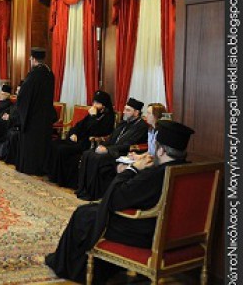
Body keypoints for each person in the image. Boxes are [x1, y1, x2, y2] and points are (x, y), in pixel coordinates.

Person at [45, 120, 194, 284]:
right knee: (91, 211)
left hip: (145, 232)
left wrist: (132, 169)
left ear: (161, 150)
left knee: (84, 214)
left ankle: (72, 269)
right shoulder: (189, 171)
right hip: (172, 231)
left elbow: (114, 198)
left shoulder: (155, 175)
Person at [76, 97, 148, 201]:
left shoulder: (141, 127)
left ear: (136, 113)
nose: (124, 112)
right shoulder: (123, 123)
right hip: (112, 149)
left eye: (128, 110)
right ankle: (84, 189)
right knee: (88, 153)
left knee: (97, 158)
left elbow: (129, 144)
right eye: (124, 109)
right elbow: (112, 138)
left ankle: (94, 193)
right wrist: (103, 146)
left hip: (122, 153)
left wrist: (108, 150)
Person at [46, 91, 115, 189]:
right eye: (94, 102)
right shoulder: (92, 113)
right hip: (78, 139)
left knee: (62, 149)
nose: (94, 105)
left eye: (97, 103)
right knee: (54, 144)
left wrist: (93, 116)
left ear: (104, 105)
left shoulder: (108, 117)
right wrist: (74, 133)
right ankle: (53, 175)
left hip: (88, 143)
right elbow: (79, 125)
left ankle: (61, 179)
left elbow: (97, 131)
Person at [15, 48, 56, 176]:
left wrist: (19, 95)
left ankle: (30, 168)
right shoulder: (49, 73)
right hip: (45, 115)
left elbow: (24, 96)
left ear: (33, 59)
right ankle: (41, 168)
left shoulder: (33, 75)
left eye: (30, 58)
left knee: (31, 144)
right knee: (42, 143)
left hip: (33, 116)